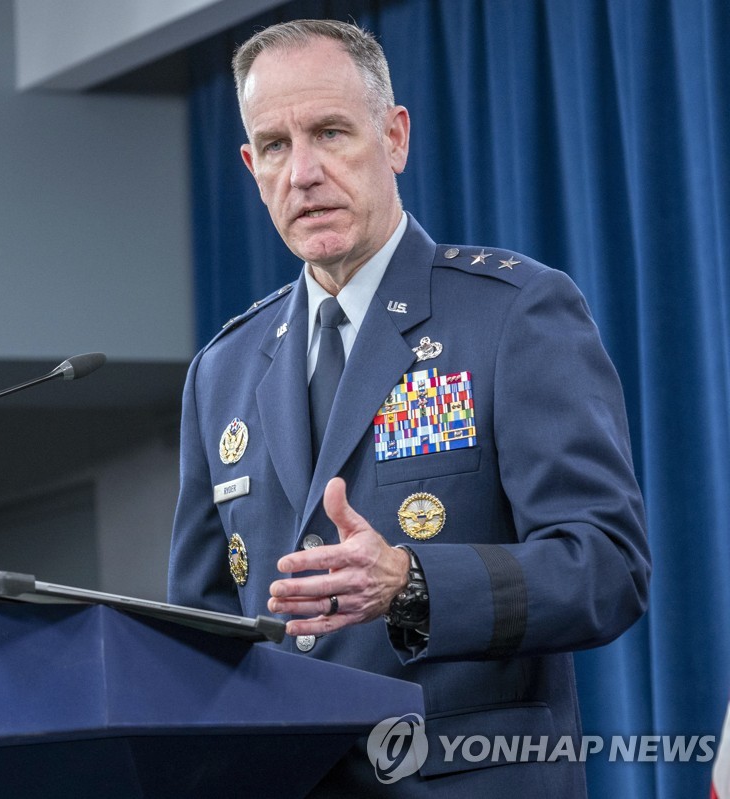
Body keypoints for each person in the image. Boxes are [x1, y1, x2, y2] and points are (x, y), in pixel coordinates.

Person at [168, 18, 650, 796]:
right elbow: (197, 631)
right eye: (278, 146)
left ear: (394, 138)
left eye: (330, 132)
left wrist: (411, 581)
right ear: (252, 168)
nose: (305, 173)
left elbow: (606, 568)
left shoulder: (511, 314)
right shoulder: (222, 369)